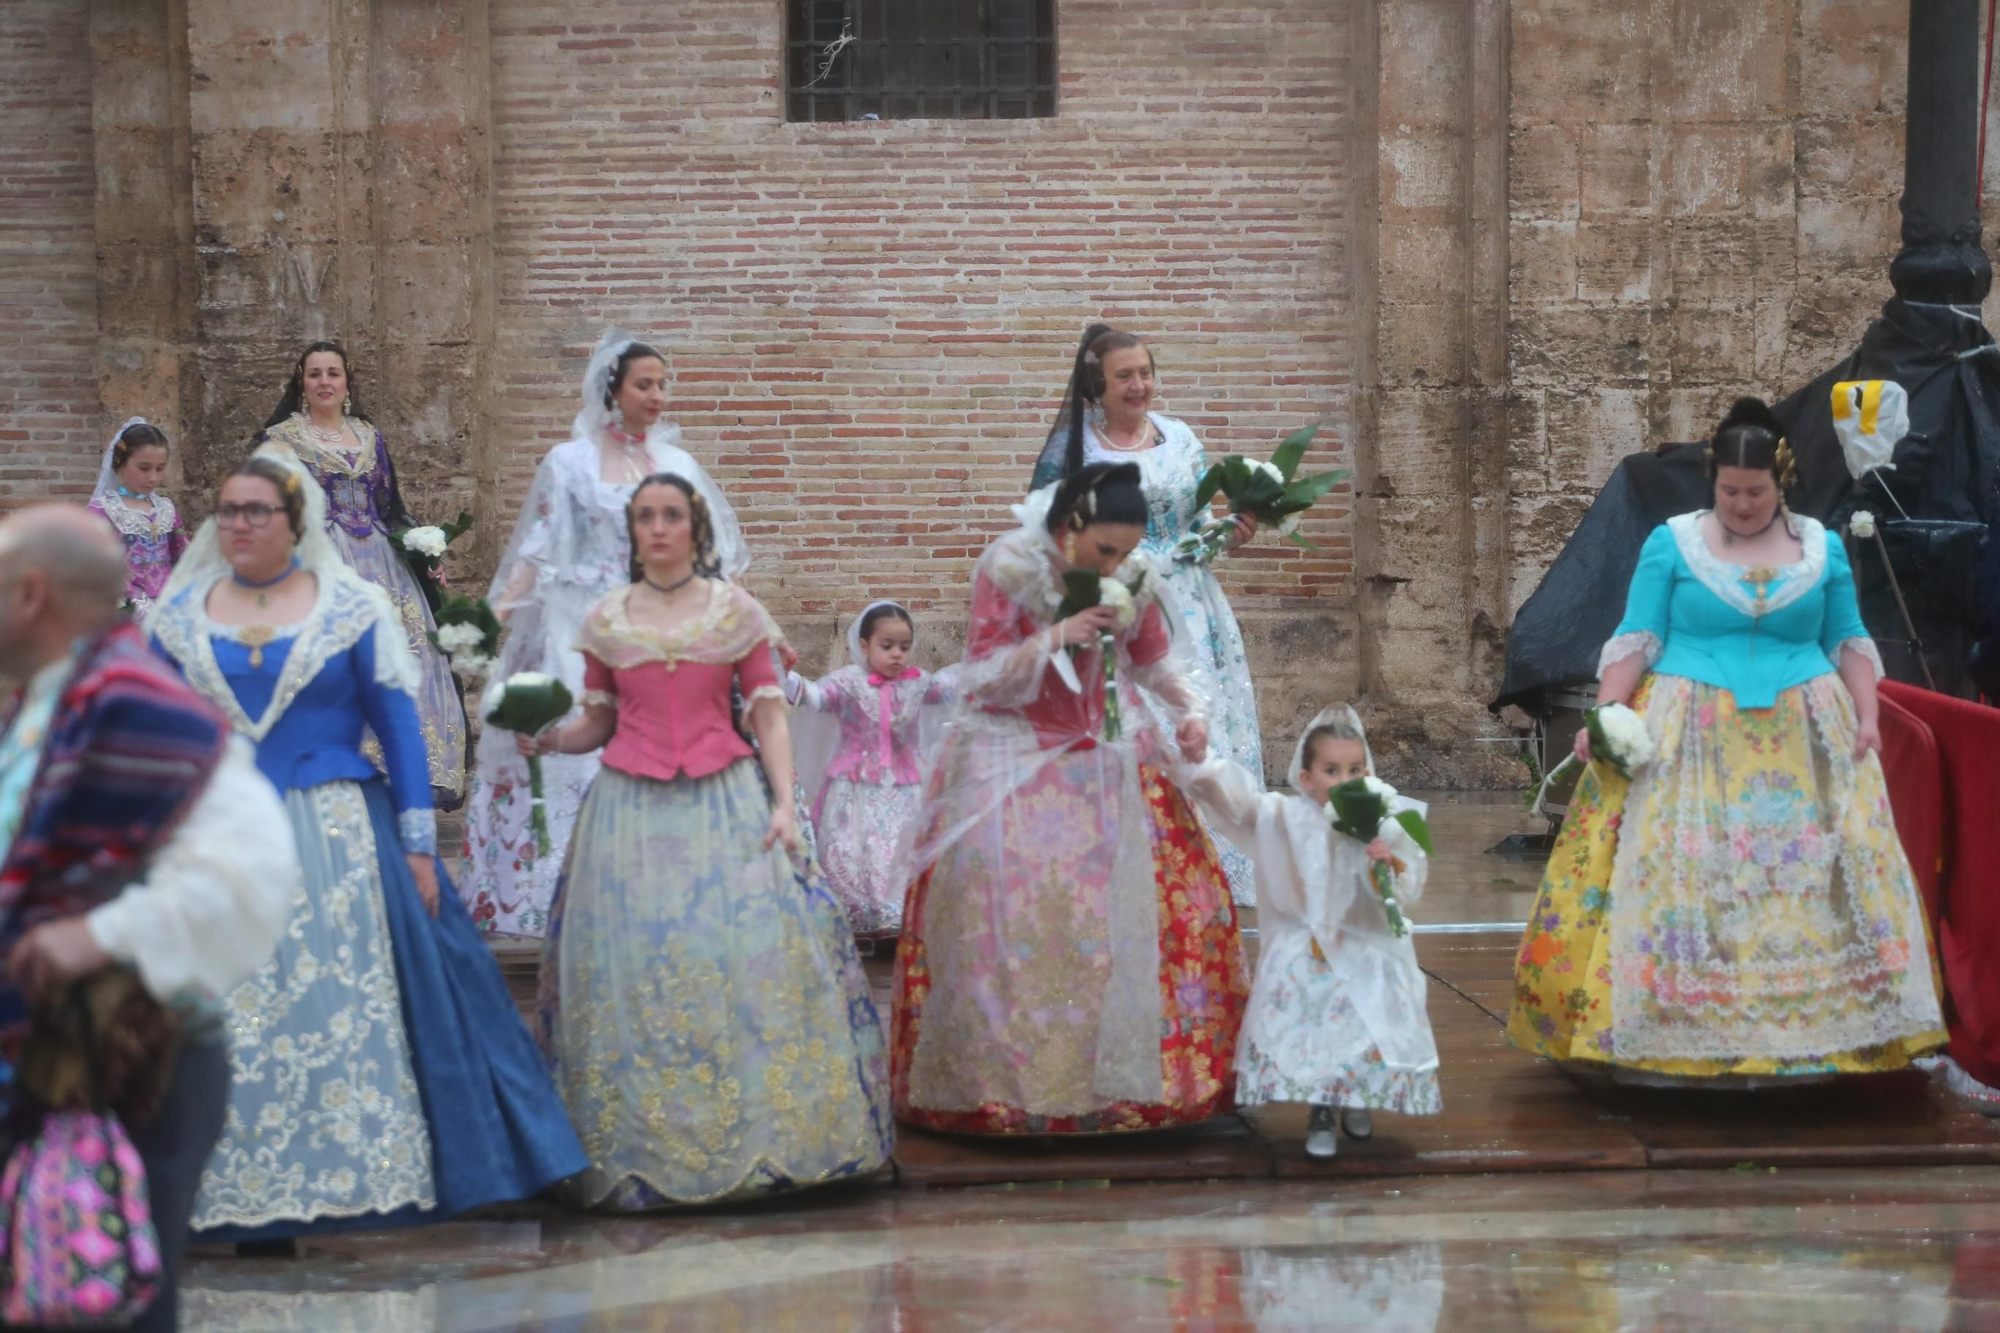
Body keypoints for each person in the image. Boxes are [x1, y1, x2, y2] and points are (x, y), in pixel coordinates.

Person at [149, 454, 585, 1243]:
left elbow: (399, 730)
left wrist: (419, 846)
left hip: (335, 825)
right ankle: (235, 1195)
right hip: (219, 835)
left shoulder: (351, 606)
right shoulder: (180, 615)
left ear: (295, 522)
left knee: (343, 995)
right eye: (228, 510)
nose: (239, 523)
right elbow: (145, 730)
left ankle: (365, 1172)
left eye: (258, 510)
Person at [1508, 397, 1947, 1084]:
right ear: (1714, 482)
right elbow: (1638, 637)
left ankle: (1812, 1034)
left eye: (1757, 492)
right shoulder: (1674, 542)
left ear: (1782, 484)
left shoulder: (1821, 547)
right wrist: (1608, 712)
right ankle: (1673, 1030)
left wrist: (1865, 715)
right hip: (1688, 728)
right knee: (1689, 873)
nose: (1742, 505)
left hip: (1805, 736)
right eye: (1730, 491)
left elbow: (1847, 638)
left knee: (1804, 878)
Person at [527, 473, 889, 1208]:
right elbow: (598, 720)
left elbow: (769, 717)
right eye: (645, 517)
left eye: (671, 515)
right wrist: (548, 737)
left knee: (730, 954)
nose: (659, 527)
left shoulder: (737, 612)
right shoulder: (606, 620)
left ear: (694, 528)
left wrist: (785, 804)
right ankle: (635, 1143)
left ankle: (757, 1136)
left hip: (724, 800)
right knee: (636, 961)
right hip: (628, 808)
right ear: (631, 532)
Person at [0, 503, 299, 1332]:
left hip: (125, 1066)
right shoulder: (49, 706)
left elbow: (253, 871)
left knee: (107, 1309)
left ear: (30, 593)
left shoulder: (136, 704)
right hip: (47, 1059)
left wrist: (95, 934)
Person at [890, 461, 1249, 1135]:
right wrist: (1055, 634)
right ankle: (1005, 1089)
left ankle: (1135, 1084)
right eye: (1106, 550)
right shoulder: (1010, 566)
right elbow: (982, 678)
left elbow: (1151, 662)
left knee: (1157, 910)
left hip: (1111, 752)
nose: (1119, 562)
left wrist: (1190, 712)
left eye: (1128, 550)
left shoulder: (1132, 575)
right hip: (1013, 756)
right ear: (1070, 528)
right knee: (1005, 916)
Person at [460, 330, 750, 937]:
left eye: (664, 384)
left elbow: (709, 559)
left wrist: (751, 623)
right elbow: (536, 552)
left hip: (663, 625)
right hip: (577, 626)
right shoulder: (568, 463)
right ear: (612, 390)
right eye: (645, 384)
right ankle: (557, 893)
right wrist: (490, 622)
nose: (658, 395)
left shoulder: (678, 466)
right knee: (576, 746)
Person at [1030, 324, 1266, 908]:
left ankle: (1211, 867)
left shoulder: (1181, 436)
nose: (1140, 386)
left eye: (1146, 372)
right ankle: (1137, 868)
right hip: (1120, 604)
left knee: (1201, 724)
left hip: (1193, 602)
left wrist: (1228, 534)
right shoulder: (1073, 449)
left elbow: (1196, 524)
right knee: (1143, 732)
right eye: (1124, 376)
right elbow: (1047, 533)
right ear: (1097, 386)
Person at [1186, 705, 1439, 1159]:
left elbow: (1409, 885)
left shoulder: (1381, 817)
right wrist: (1201, 763)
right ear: (1306, 779)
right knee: (1317, 1029)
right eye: (1331, 770)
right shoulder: (1286, 817)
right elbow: (1237, 803)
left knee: (1364, 1024)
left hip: (1362, 947)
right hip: (1308, 951)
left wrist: (1388, 861)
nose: (1344, 780)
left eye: (1354, 769)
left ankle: (1357, 1098)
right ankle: (1322, 1108)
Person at [254, 341, 468, 807]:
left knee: (407, 656)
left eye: (334, 373)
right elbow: (265, 509)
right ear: (301, 383)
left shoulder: (369, 435)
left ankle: (410, 771)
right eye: (315, 374)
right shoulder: (281, 439)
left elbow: (390, 509)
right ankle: (343, 768)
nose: (325, 382)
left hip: (382, 564)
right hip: (321, 563)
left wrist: (425, 557)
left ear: (347, 382)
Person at [786, 601, 955, 938]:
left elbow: (952, 692)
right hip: (853, 788)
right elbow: (815, 698)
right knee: (850, 848)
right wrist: (782, 675)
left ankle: (899, 916)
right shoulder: (847, 683)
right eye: (887, 646)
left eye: (904, 647)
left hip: (905, 788)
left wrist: (990, 675)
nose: (897, 655)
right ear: (864, 646)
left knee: (899, 846)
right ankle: (859, 915)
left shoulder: (918, 682)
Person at [86, 417, 189, 617]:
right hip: (126, 610)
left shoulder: (165, 509)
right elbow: (97, 568)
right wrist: (137, 604)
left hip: (170, 608)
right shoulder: (102, 512)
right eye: (144, 468)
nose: (153, 478)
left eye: (160, 468)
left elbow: (184, 556)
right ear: (120, 464)